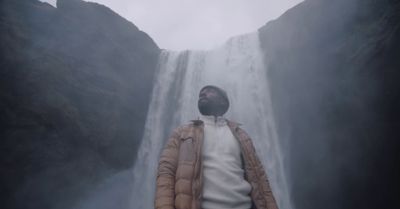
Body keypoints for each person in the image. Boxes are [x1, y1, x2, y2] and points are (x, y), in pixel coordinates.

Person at [155, 85, 278, 209]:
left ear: (223, 101)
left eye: (209, 91)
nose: (202, 94)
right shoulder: (181, 133)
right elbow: (166, 173)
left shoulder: (241, 135)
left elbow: (260, 178)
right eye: (200, 93)